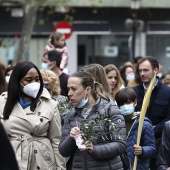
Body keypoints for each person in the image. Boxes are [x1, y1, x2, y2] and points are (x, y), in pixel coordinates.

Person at [0, 61, 66, 170]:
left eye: (37, 79)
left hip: (41, 160)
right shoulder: (2, 101)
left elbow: (56, 141)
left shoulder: (50, 104)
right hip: (12, 158)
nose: (34, 83)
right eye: (28, 80)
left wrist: (60, 168)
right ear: (17, 81)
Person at [59, 71, 126, 170]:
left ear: (88, 90)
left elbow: (120, 145)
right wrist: (71, 138)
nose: (69, 94)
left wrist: (94, 149)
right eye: (68, 89)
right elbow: (63, 151)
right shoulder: (70, 115)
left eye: (74, 89)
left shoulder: (109, 109)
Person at [132, 56, 170, 170]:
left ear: (155, 70)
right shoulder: (133, 92)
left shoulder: (167, 92)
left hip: (159, 147)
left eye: (146, 70)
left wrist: (153, 129)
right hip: (137, 147)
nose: (142, 73)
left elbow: (169, 118)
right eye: (140, 71)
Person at [115, 87, 156, 169]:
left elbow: (152, 148)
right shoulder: (117, 123)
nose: (125, 106)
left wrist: (142, 150)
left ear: (135, 102)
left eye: (127, 103)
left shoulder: (144, 124)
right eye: (121, 104)